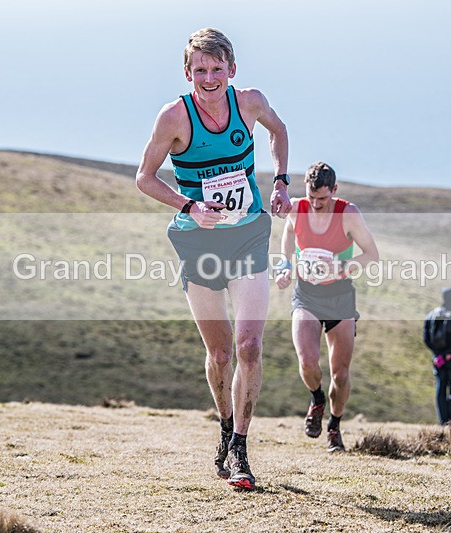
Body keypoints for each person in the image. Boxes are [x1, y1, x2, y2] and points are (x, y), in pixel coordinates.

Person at [135, 28, 291, 491]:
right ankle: (224, 427)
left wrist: (281, 180)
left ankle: (240, 448)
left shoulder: (250, 102)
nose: (208, 78)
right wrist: (190, 206)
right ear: (187, 73)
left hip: (247, 235)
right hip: (199, 242)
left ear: (232, 70)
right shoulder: (173, 117)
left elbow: (279, 132)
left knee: (249, 346)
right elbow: (144, 178)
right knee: (220, 354)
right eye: (199, 70)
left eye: (216, 68)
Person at [275, 162, 379, 452]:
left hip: (340, 297)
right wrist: (285, 267)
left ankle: (334, 425)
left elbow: (371, 255)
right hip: (306, 294)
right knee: (307, 362)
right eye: (312, 198)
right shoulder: (297, 208)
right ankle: (317, 399)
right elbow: (287, 237)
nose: (317, 204)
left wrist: (341, 268)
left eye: (323, 198)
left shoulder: (348, 213)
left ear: (334, 190)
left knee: (340, 373)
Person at [423, 287, 451, 425]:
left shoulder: (430, 316)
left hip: (438, 360)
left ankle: (443, 421)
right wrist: (448, 354)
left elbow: (426, 339)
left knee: (440, 388)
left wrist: (438, 354)